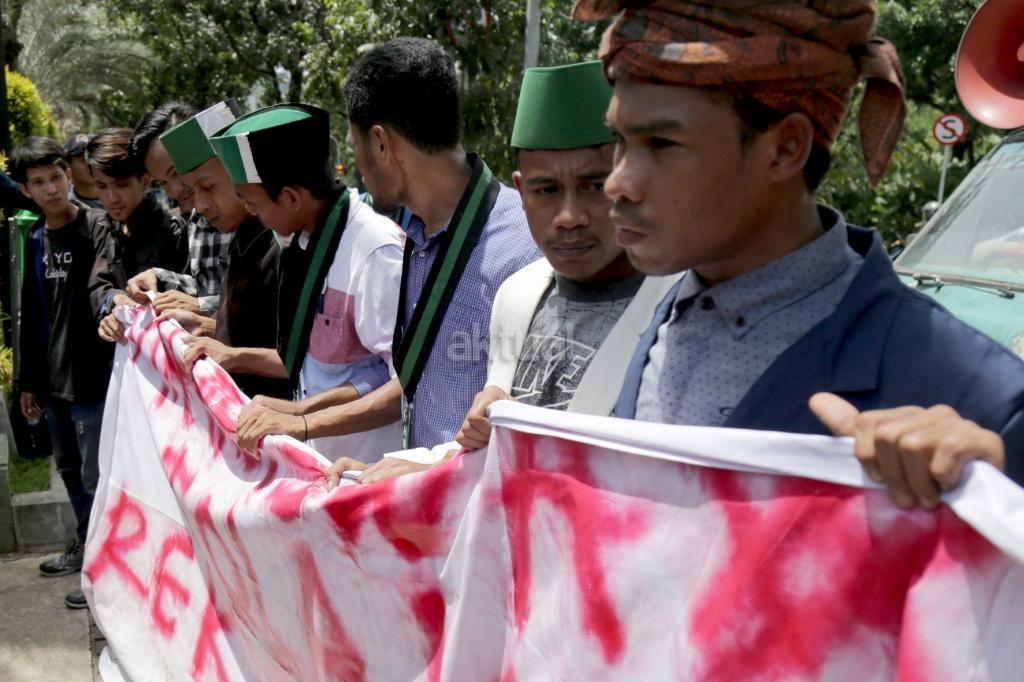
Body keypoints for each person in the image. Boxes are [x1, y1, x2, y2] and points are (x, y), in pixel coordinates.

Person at [570, 0, 1024, 508]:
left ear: (786, 148)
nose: (617, 183)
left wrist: (987, 499)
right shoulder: (664, 315)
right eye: (619, 140)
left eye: (661, 143)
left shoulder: (981, 403)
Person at [326, 61, 679, 485]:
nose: (569, 216)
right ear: (523, 190)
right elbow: (489, 455)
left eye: (593, 186)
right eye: (547, 190)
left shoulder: (680, 310)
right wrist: (412, 473)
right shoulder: (517, 296)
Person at [234, 37, 540, 457]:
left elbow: (528, 426)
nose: (356, 164)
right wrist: (304, 416)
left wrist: (307, 421)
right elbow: (410, 377)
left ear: (380, 143)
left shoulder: (523, 248)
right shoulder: (415, 234)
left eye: (354, 145)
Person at [183, 102, 404, 461]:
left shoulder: (374, 250)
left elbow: (401, 384)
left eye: (252, 203)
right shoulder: (304, 242)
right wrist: (238, 359)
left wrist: (302, 419)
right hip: (319, 461)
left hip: (364, 467)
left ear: (290, 197)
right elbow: (310, 357)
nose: (250, 213)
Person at [9, 137, 110, 609]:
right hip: (54, 383)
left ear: (69, 176)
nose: (50, 189)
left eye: (56, 177)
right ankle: (87, 547)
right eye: (38, 182)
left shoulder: (96, 227)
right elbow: (32, 313)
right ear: (25, 190)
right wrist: (29, 381)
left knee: (97, 476)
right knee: (69, 470)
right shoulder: (34, 239)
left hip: (92, 378)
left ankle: (105, 570)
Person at [151, 100, 290, 399]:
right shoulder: (243, 238)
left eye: (208, 188)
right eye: (193, 192)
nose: (200, 206)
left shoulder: (282, 244)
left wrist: (233, 355)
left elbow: (304, 359)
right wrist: (205, 326)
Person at [129, 102, 233, 318]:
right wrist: (159, 278)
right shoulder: (196, 221)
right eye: (163, 182)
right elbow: (207, 287)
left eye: (176, 172)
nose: (175, 190)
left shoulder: (266, 219)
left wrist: (200, 306)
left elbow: (263, 302)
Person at [87, 128, 188, 344]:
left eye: (121, 185)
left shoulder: (173, 231)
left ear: (145, 180)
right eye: (101, 186)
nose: (112, 197)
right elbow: (99, 286)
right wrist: (115, 300)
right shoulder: (107, 228)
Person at [63, 133, 103, 209]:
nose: (90, 164)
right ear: (68, 166)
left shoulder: (115, 196)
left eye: (93, 157)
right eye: (82, 160)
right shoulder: (66, 206)